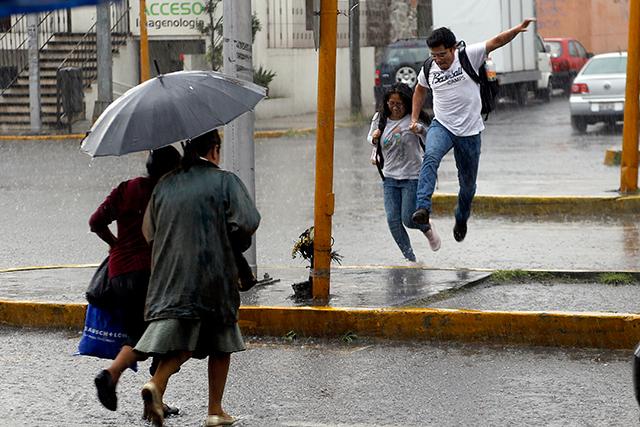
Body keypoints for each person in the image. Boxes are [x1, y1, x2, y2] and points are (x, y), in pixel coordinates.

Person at [134, 129, 260, 427]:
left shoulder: (165, 185)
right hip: (212, 272)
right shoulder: (224, 181)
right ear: (214, 149)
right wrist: (231, 240)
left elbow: (149, 233)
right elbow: (248, 221)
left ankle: (156, 384)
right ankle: (215, 410)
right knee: (221, 340)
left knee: (182, 340)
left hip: (170, 275)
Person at [410, 19, 535, 242]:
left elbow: (497, 41)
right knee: (430, 157)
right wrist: (413, 117)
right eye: (435, 55)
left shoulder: (469, 55)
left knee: (467, 185)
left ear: (453, 48)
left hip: (469, 131)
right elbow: (420, 90)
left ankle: (461, 218)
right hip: (443, 126)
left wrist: (516, 30)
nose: (439, 60)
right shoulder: (429, 67)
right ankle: (423, 209)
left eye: (443, 55)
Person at [89, 146, 181, 414]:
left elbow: (96, 221)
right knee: (160, 337)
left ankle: (153, 398)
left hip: (119, 273)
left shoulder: (126, 188)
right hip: (153, 275)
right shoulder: (167, 195)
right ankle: (111, 374)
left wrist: (115, 244)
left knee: (141, 333)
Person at [367, 82, 441, 263]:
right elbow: (371, 138)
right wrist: (374, 137)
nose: (395, 107)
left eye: (399, 104)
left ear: (407, 103)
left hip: (412, 176)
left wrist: (420, 129)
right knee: (393, 221)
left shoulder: (413, 118)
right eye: (391, 104)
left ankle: (427, 227)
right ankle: (410, 259)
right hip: (389, 177)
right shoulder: (380, 118)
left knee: (408, 219)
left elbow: (431, 138)